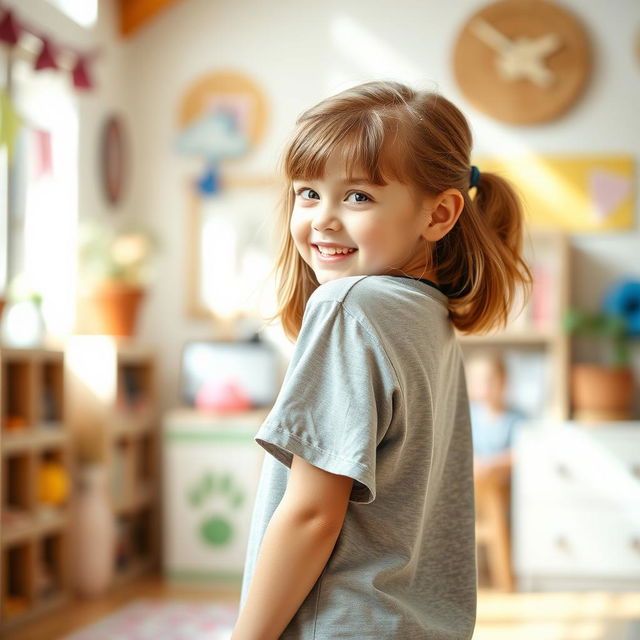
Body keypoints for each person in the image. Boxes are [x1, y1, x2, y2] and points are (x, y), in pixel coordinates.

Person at [230, 80, 533, 640]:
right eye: (307, 192)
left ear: (439, 215)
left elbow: (311, 515)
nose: (322, 218)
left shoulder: (350, 305)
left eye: (359, 196)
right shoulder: (429, 318)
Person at [466, 352, 527, 484]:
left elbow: (521, 452)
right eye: (478, 381)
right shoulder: (467, 415)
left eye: (490, 380)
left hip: (503, 485)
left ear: (504, 381)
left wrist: (491, 465)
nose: (485, 386)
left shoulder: (516, 419)